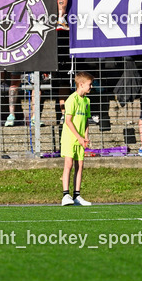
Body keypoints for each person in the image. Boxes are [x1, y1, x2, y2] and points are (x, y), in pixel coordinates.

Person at [60, 71, 93, 206]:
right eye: (89, 85)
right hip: (70, 138)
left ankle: (77, 195)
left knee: (80, 166)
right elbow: (68, 121)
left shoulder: (86, 101)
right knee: (69, 164)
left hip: (80, 140)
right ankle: (65, 194)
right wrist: (78, 137)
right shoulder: (72, 99)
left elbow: (85, 120)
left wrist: (85, 137)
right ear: (81, 84)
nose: (91, 87)